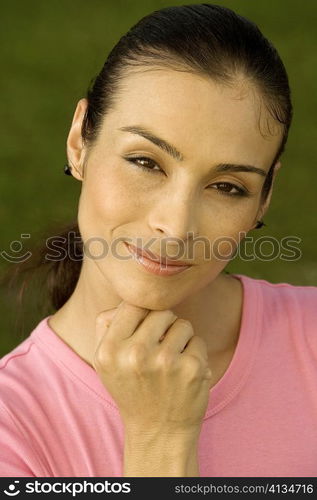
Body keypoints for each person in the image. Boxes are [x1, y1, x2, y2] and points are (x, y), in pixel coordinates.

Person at [0, 3, 316, 478]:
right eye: (146, 162)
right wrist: (160, 441)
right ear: (78, 141)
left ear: (264, 198)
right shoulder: (13, 425)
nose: (176, 225)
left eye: (228, 186)